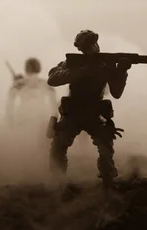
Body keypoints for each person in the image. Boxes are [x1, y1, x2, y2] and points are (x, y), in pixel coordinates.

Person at [47, 29, 130, 187]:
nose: (93, 48)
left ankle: (108, 182)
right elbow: (52, 79)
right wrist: (81, 71)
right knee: (59, 145)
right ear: (80, 49)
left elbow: (116, 93)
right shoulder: (72, 63)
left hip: (95, 112)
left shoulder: (106, 65)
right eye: (88, 45)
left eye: (94, 43)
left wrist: (121, 71)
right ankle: (56, 183)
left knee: (105, 147)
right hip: (73, 112)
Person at [6, 57, 58, 126]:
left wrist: (10, 121)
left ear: (26, 68)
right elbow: (54, 106)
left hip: (23, 116)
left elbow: (10, 104)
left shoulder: (18, 84)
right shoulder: (46, 84)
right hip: (41, 116)